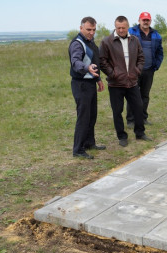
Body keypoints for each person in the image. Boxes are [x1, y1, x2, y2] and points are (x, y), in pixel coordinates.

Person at [99, 16, 152, 147]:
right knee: (117, 111)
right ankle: (122, 136)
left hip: (132, 82)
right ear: (115, 27)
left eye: (123, 27)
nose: (121, 30)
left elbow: (141, 57)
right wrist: (112, 74)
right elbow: (102, 61)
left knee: (138, 107)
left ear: (128, 27)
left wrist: (137, 71)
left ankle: (140, 133)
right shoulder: (107, 41)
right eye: (118, 28)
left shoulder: (134, 40)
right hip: (115, 84)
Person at [69, 16, 105, 159]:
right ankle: (78, 149)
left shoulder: (90, 42)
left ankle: (90, 143)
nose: (91, 32)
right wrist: (86, 68)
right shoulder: (77, 44)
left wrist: (98, 79)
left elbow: (94, 62)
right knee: (83, 117)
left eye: (94, 30)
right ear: (81, 28)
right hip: (80, 84)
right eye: (88, 29)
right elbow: (76, 62)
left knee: (92, 115)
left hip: (90, 83)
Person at [126, 12, 164, 127]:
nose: (145, 22)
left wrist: (156, 65)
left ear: (150, 21)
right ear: (139, 20)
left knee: (145, 95)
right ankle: (131, 120)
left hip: (149, 70)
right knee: (132, 95)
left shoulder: (156, 35)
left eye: (147, 20)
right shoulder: (131, 32)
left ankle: (143, 118)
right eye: (143, 20)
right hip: (134, 69)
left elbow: (159, 52)